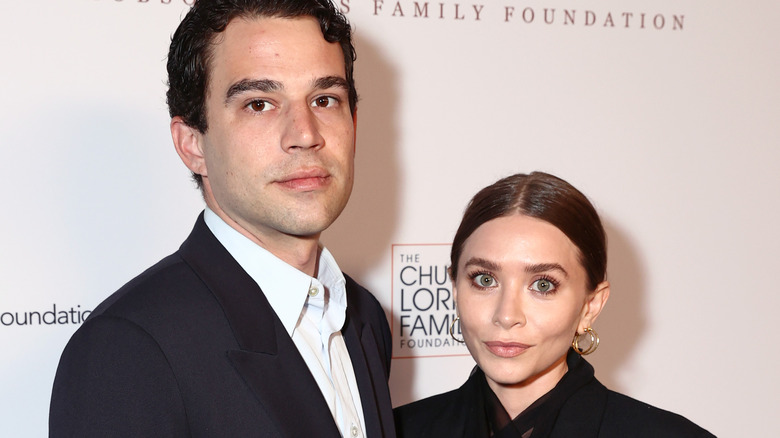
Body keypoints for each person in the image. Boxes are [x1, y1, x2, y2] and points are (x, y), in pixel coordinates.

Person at [49, 1, 395, 436]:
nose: (306, 134)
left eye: (325, 99)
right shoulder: (128, 350)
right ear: (193, 144)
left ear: (354, 123)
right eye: (259, 104)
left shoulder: (363, 319)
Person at [394, 172, 715, 438]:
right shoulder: (394, 431)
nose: (506, 315)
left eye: (542, 285)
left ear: (590, 305)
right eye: (484, 280)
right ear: (454, 286)